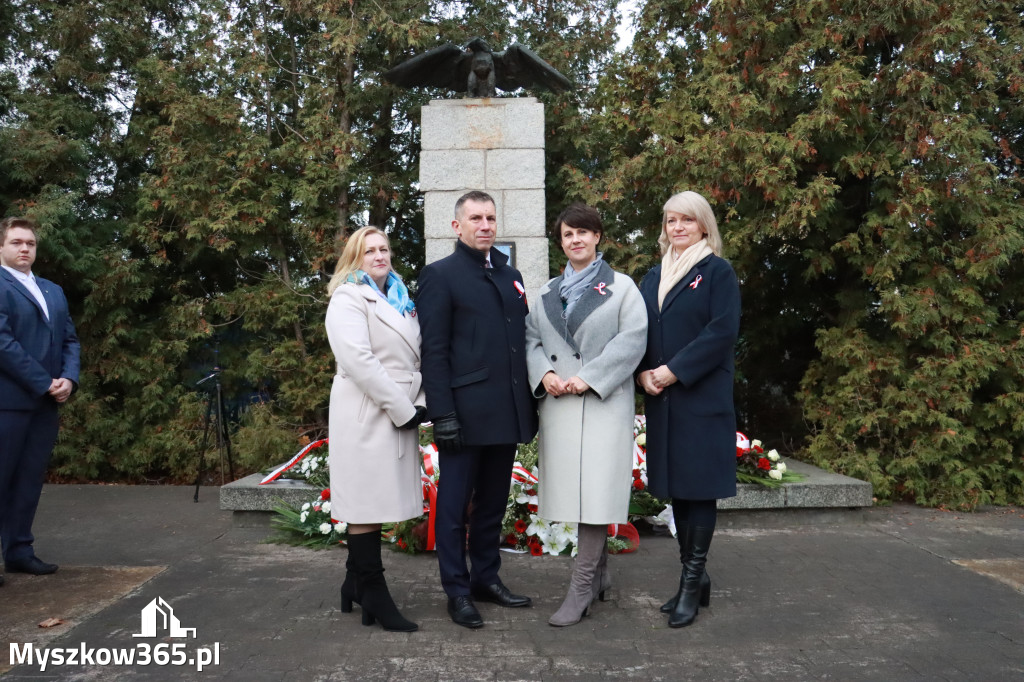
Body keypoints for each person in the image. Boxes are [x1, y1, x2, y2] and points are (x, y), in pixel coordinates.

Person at [416, 190, 538, 629]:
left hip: (504, 411)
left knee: (491, 504)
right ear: (457, 226)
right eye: (476, 218)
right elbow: (434, 351)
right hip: (463, 415)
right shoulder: (440, 276)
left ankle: (486, 578)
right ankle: (457, 590)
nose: (485, 225)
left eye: (490, 218)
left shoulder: (510, 275)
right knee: (453, 509)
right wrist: (442, 413)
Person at [524, 204, 648, 627]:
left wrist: (589, 377)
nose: (575, 240)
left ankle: (580, 588)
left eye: (582, 232)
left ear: (598, 237)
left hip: (601, 403)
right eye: (567, 235)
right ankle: (599, 576)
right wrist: (545, 372)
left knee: (595, 494)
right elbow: (530, 340)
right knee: (574, 495)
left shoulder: (623, 288)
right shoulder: (545, 292)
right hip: (559, 404)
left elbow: (632, 341)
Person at [636, 190, 740, 628]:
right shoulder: (652, 276)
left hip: (700, 398)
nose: (677, 228)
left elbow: (721, 333)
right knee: (679, 490)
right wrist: (643, 371)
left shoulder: (718, 272)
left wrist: (672, 372)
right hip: (664, 401)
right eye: (670, 221)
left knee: (699, 490)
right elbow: (637, 329)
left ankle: (690, 583)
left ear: (703, 226)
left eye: (686, 220)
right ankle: (694, 579)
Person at [325, 226, 426, 632]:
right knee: (365, 505)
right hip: (366, 412)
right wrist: (403, 407)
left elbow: (413, 358)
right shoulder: (348, 297)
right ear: (355, 257)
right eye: (369, 251)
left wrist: (416, 403)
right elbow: (359, 361)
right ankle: (373, 589)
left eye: (384, 248)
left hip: (396, 406)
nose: (379, 256)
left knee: (376, 502)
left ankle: (354, 582)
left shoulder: (402, 299)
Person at [0, 217, 80, 585]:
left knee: (29, 481)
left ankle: (19, 552)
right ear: (2, 247)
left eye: (30, 243)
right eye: (16, 242)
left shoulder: (52, 290)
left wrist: (69, 378)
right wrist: (43, 381)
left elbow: (69, 340)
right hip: (8, 403)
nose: (24, 249)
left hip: (45, 405)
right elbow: (3, 344)